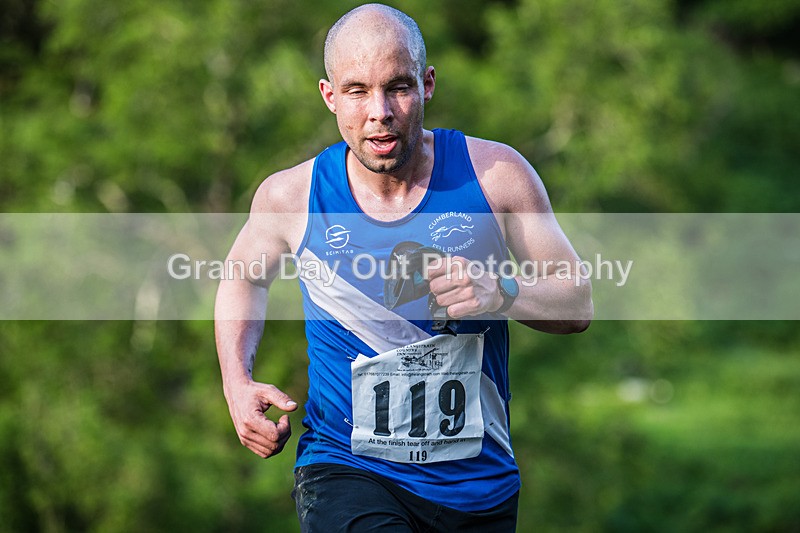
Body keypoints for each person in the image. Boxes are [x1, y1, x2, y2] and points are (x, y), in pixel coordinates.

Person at [215, 3, 593, 531]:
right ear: (329, 96)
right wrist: (237, 381)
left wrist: (500, 291)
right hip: (346, 468)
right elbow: (242, 276)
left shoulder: (497, 177)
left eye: (397, 87)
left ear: (428, 83)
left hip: (476, 483)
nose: (380, 111)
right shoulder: (291, 196)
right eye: (356, 91)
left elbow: (576, 301)